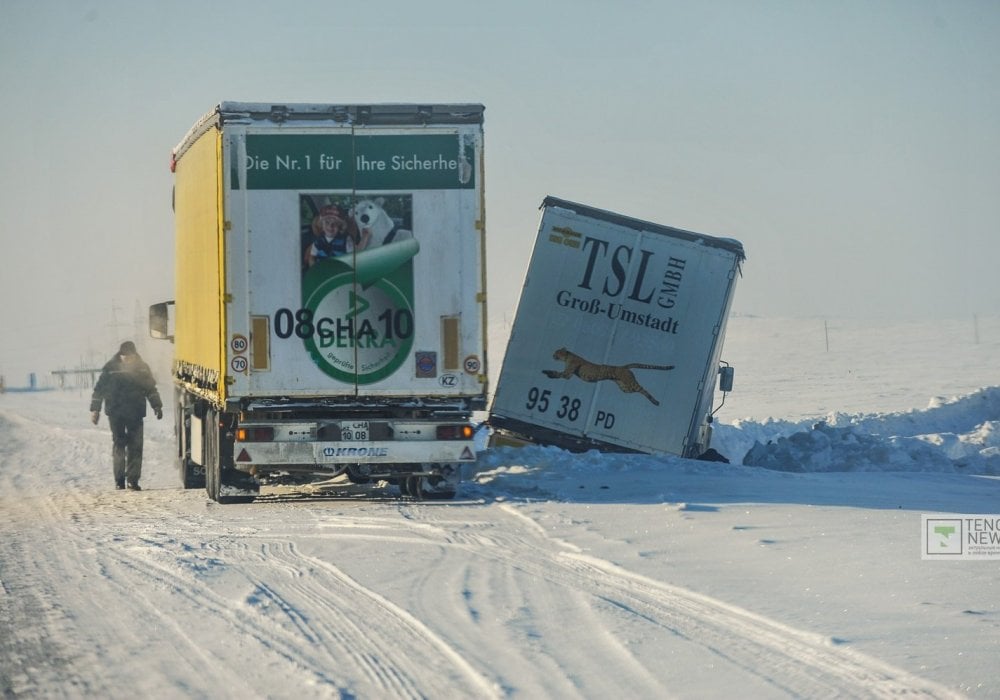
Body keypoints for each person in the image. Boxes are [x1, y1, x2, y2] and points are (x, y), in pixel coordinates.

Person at [90, 341, 163, 491]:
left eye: (130, 358)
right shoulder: (110, 368)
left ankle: (133, 480)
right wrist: (95, 410)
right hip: (115, 413)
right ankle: (119, 480)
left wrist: (157, 406)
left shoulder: (142, 368)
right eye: (124, 358)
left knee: (136, 446)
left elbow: (150, 389)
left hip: (135, 412)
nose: (127, 361)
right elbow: (99, 390)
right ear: (120, 355)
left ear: (134, 355)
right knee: (119, 445)